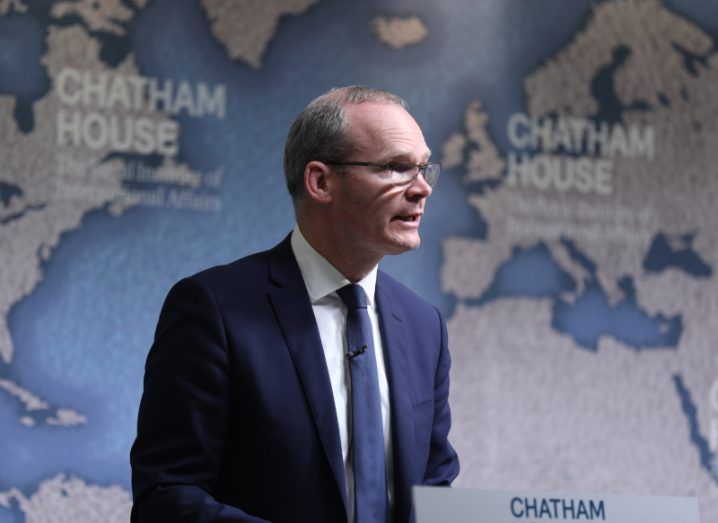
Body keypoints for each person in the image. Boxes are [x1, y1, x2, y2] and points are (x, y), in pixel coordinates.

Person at [130, 86, 459, 523]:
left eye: (423, 168)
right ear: (320, 181)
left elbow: (434, 491)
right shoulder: (214, 310)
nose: (421, 189)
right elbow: (166, 496)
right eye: (397, 168)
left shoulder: (424, 326)